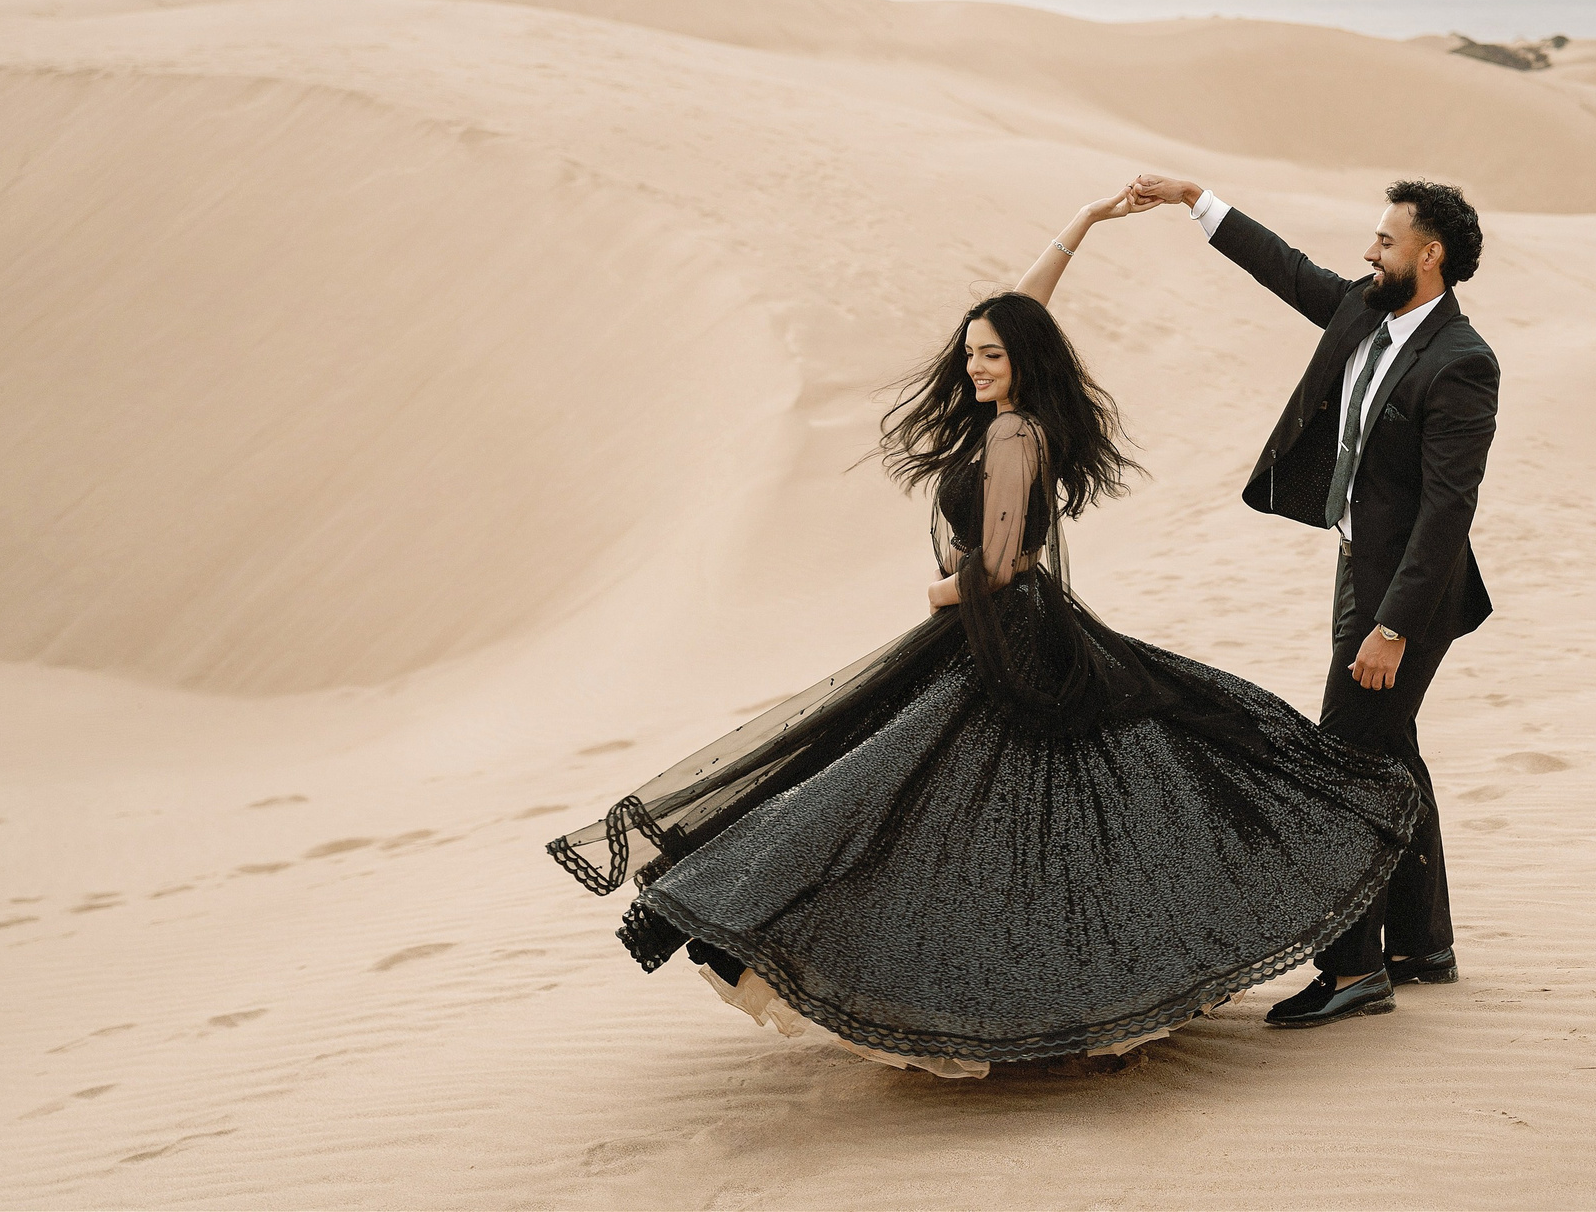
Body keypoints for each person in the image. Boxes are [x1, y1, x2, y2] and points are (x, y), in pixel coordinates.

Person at [548, 186, 1422, 1075]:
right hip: (1012, 635)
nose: (972, 366)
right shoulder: (1014, 407)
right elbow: (1018, 321)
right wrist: (1076, 230)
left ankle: (1058, 992)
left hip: (1005, 637)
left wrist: (939, 594)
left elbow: (1001, 565)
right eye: (970, 353)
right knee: (988, 799)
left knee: (927, 796)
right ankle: (1074, 988)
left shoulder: (1012, 438)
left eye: (989, 356)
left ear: (1021, 364)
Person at [1131, 174, 1498, 1030]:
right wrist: (1197, 200)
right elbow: (1283, 268)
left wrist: (1391, 629)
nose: (1368, 252)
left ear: (1429, 256)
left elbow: (1449, 513)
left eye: (1385, 241)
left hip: (1412, 596)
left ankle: (1353, 970)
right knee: (1389, 748)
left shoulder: (1463, 363)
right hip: (1360, 572)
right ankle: (1422, 943)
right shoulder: (1365, 310)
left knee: (1340, 764)